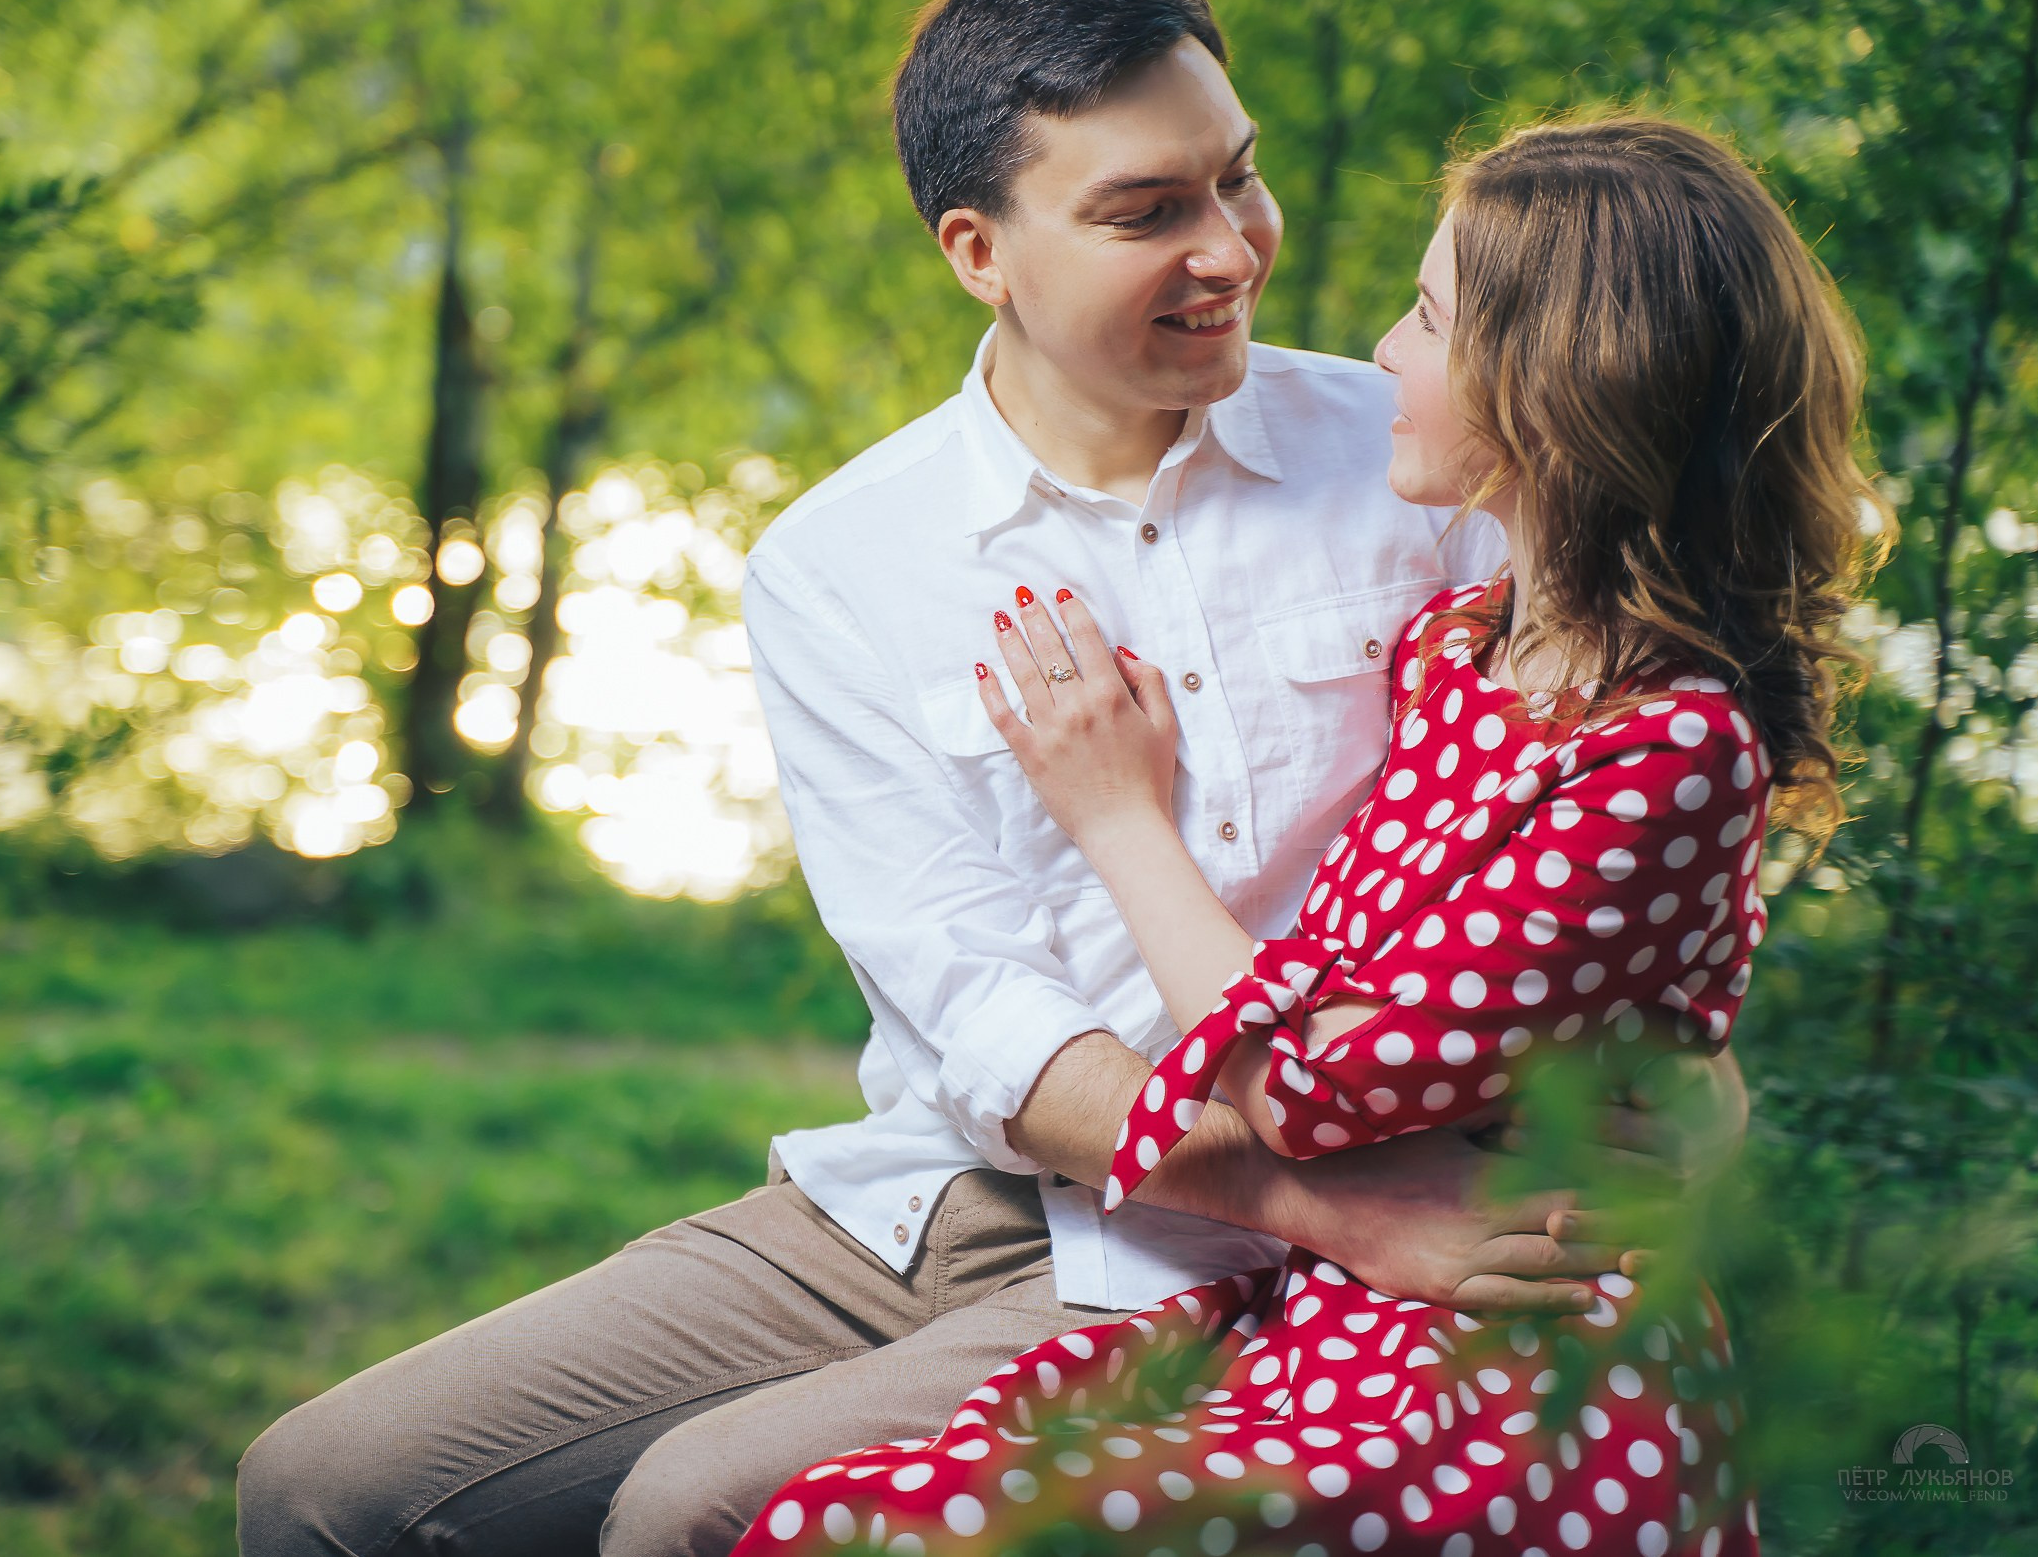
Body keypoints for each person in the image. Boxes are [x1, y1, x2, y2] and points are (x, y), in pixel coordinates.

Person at [233, 0, 1745, 1557]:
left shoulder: (1423, 465)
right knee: (329, 1489)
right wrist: (1329, 1202)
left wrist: (1692, 1068)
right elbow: (973, 1010)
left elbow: (1604, 813)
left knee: (697, 1515)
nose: (1230, 249)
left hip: (1224, 1250)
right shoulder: (846, 561)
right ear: (979, 252)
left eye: (1238, 180)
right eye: (1145, 211)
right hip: (931, 1195)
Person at [733, 114, 1879, 1557]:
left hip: (1492, 1350)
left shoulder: (1649, 728)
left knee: (822, 1524)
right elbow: (1370, 972)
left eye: (1428, 317)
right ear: (980, 253)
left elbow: (1325, 1077)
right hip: (1288, 1287)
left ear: (1558, 391)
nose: (1384, 350)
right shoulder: (1460, 646)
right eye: (1146, 206)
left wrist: (1117, 817)